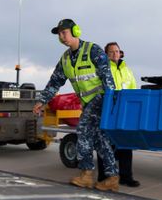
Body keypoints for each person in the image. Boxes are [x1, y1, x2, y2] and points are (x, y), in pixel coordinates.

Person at [33, 19, 119, 191]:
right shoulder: (65, 59)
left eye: (64, 32)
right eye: (59, 34)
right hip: (87, 103)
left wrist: (111, 104)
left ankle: (86, 174)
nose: (61, 36)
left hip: (102, 98)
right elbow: (54, 82)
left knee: (83, 130)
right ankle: (112, 178)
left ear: (75, 31)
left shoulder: (92, 50)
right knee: (100, 139)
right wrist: (42, 101)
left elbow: (108, 78)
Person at [97, 42, 140, 187]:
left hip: (125, 113)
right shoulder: (103, 69)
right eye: (111, 52)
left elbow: (133, 88)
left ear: (120, 53)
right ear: (106, 54)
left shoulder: (127, 69)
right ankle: (103, 177)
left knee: (125, 145)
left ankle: (126, 177)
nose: (115, 54)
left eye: (117, 51)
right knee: (105, 145)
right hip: (109, 112)